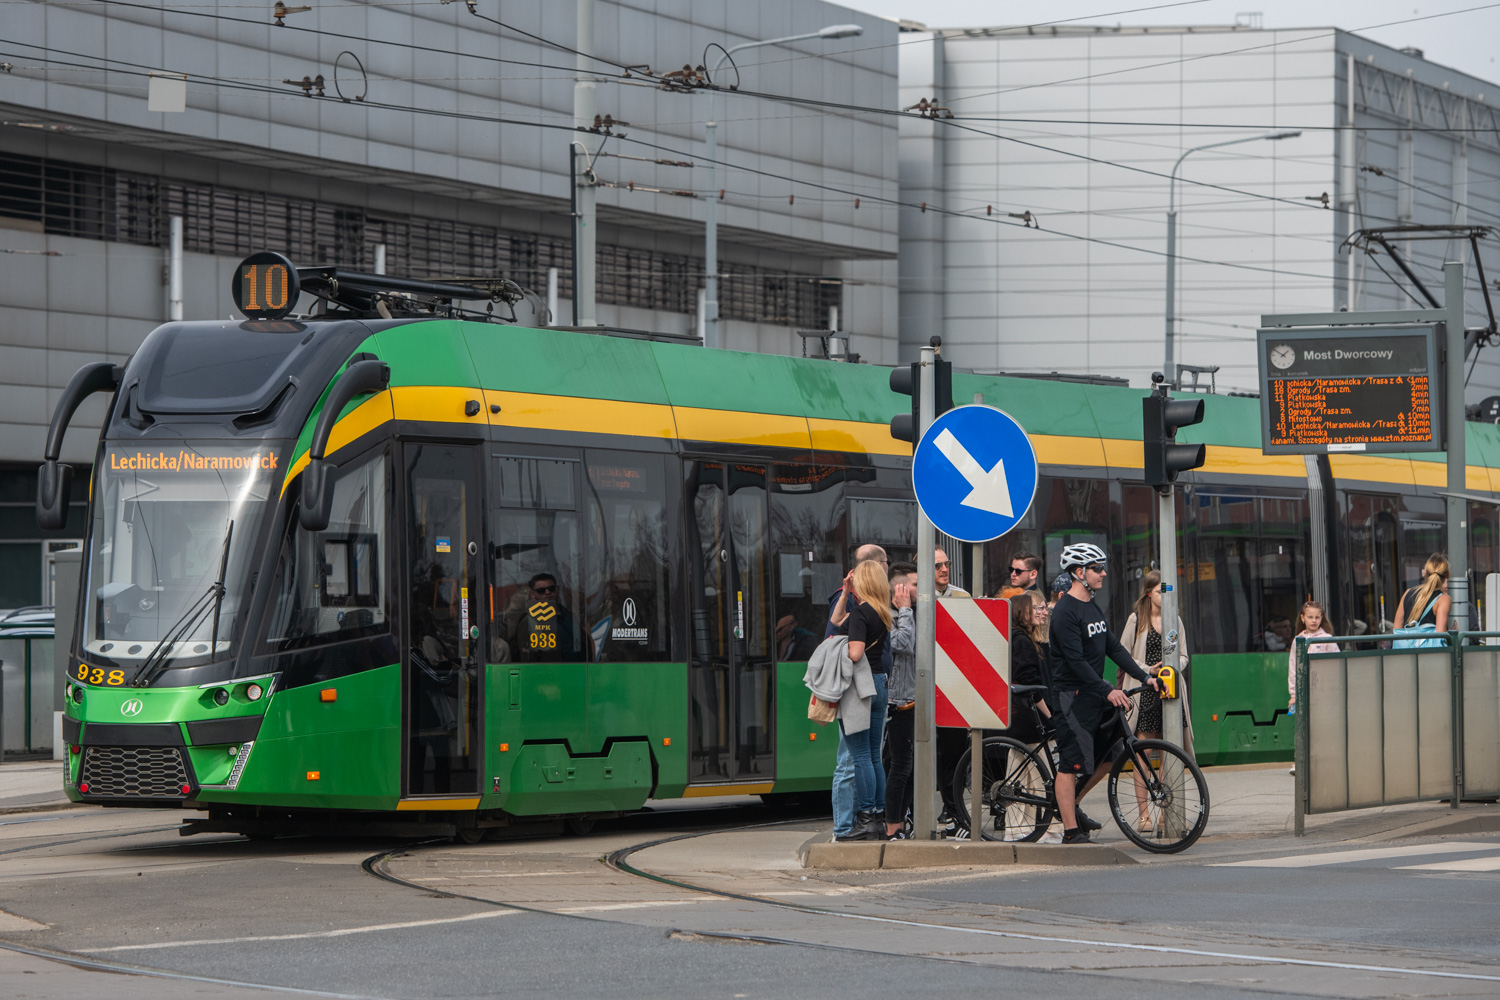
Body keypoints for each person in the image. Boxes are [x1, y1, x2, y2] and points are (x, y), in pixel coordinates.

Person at [1048, 542, 1158, 844]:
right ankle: (1070, 832)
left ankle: (1074, 803)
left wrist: (1143, 674)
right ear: (1079, 572)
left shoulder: (1092, 607)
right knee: (1069, 764)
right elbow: (1075, 662)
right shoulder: (1065, 612)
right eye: (1097, 568)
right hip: (1071, 696)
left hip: (1092, 693)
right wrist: (1108, 689)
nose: (1103, 573)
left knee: (1111, 755)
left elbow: (1112, 646)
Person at [826, 544, 891, 841]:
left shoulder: (861, 614)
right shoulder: (881, 611)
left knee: (861, 756)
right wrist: (844, 593)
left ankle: (864, 818)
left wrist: (849, 643)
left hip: (859, 688)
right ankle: (877, 817)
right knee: (875, 757)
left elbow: (853, 652)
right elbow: (837, 621)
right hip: (880, 684)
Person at [1119, 570, 1194, 831]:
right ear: (1149, 593)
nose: (1166, 596)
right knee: (1142, 755)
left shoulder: (1175, 620)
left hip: (1170, 692)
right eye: (1162, 592)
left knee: (1169, 755)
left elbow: (1184, 655)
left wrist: (1172, 667)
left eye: (1168, 592)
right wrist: (1149, 669)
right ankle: (1144, 816)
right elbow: (1123, 655)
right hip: (1145, 690)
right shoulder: (1135, 620)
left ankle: (1167, 812)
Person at [932, 545, 970, 836]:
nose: (944, 569)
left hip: (953, 688)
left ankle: (954, 807)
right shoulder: (916, 599)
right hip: (922, 688)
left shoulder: (962, 597)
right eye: (937, 566)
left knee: (953, 753)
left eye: (946, 564)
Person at [883, 561, 918, 838]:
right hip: (898, 701)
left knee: (911, 767)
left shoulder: (915, 614)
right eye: (916, 585)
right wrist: (905, 608)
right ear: (900, 589)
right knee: (900, 766)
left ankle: (901, 824)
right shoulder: (891, 616)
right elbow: (903, 644)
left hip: (913, 699)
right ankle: (893, 825)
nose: (921, 589)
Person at [1287, 600, 1338, 776]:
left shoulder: (1328, 639)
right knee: (1303, 726)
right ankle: (1300, 761)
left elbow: (1336, 664)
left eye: (1317, 617)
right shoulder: (1297, 640)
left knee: (1321, 725)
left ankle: (1324, 759)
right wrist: (1293, 694)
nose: (1314, 620)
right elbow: (1293, 667)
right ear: (1302, 618)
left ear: (1322, 618)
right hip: (1304, 691)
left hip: (1323, 691)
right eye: (1310, 617)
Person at [504, 572, 578, 662]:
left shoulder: (569, 616)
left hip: (577, 669)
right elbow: (528, 657)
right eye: (541, 590)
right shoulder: (530, 621)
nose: (547, 592)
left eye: (551, 589)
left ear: (557, 589)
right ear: (532, 594)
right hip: (550, 672)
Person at [1392, 553, 1452, 636]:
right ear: (1448, 575)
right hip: (1429, 649)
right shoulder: (1443, 599)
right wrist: (1452, 635)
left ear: (1426, 573)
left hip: (1406, 648)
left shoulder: (1407, 593)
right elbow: (1441, 635)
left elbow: (1396, 630)